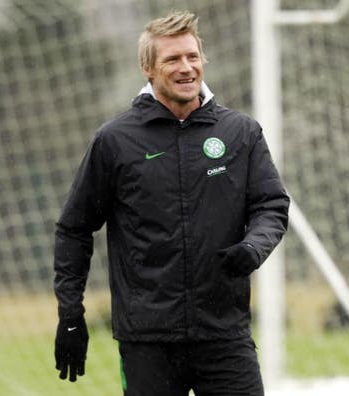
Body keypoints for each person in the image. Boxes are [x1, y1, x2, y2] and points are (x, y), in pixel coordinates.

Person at [53, 10, 290, 396]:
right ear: (148, 68)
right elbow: (74, 229)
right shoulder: (115, 140)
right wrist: (70, 315)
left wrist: (254, 246)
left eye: (192, 57)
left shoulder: (240, 132)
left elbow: (271, 205)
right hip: (148, 341)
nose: (186, 68)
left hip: (223, 333)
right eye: (172, 60)